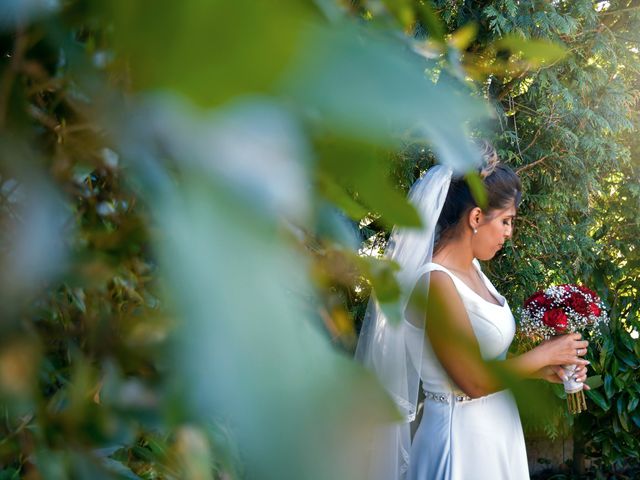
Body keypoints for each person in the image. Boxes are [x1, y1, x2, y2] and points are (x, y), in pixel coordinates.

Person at [355, 142, 591, 480]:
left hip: (494, 432)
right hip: (460, 442)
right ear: (476, 217)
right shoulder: (434, 282)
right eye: (507, 221)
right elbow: (472, 380)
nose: (509, 234)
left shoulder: (474, 270)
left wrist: (544, 370)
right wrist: (543, 354)